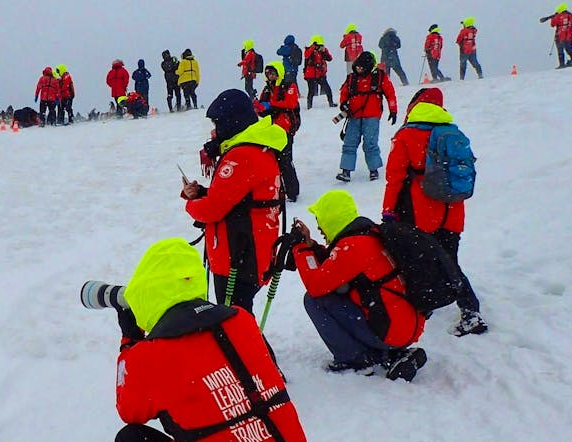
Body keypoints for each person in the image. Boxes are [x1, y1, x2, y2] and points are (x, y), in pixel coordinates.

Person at [112, 236, 392, 442]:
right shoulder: (240, 322)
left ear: (146, 296)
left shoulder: (150, 357)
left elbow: (128, 407)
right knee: (243, 438)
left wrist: (129, 339)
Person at [287, 190, 427, 379]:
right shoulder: (368, 235)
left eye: (321, 222)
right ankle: (390, 352)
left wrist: (302, 249)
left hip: (391, 332)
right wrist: (311, 245)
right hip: (405, 327)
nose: (320, 228)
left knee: (314, 300)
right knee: (339, 292)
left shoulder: (352, 247)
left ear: (331, 219)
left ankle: (356, 358)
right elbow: (334, 265)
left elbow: (316, 285)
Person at [383, 87, 488, 336]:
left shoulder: (406, 136)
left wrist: (388, 211)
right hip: (452, 210)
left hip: (420, 211)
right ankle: (468, 309)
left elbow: (394, 178)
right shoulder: (453, 132)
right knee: (450, 259)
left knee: (419, 260)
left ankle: (426, 307)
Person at [181, 89, 285, 315]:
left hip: (238, 256)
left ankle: (254, 352)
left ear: (231, 122)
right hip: (254, 250)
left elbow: (212, 210)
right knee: (239, 319)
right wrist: (201, 192)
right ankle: (251, 350)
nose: (215, 131)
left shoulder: (242, 156)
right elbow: (241, 198)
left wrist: (191, 204)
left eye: (218, 124)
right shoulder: (260, 147)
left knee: (234, 324)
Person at [335, 51, 398, 183]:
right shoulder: (351, 78)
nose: (358, 69)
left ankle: (373, 169)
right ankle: (346, 171)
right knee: (349, 143)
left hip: (372, 116)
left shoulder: (380, 77)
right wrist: (343, 104)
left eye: (361, 68)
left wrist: (393, 110)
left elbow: (390, 93)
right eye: (357, 67)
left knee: (370, 144)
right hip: (354, 115)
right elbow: (344, 92)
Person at [256, 61, 302, 202]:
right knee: (272, 161)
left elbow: (291, 103)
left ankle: (292, 192)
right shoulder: (267, 89)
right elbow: (262, 107)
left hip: (285, 129)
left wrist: (271, 106)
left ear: (279, 73)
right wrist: (260, 107)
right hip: (270, 130)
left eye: (273, 73)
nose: (271, 76)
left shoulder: (289, 86)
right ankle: (278, 190)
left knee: (285, 161)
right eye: (268, 73)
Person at [302, 36, 337, 110]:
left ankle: (331, 103)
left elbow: (330, 58)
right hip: (311, 75)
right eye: (318, 45)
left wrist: (325, 51)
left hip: (321, 74)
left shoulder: (323, 51)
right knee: (311, 91)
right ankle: (309, 106)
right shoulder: (309, 50)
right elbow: (306, 55)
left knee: (327, 89)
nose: (320, 47)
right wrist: (313, 47)